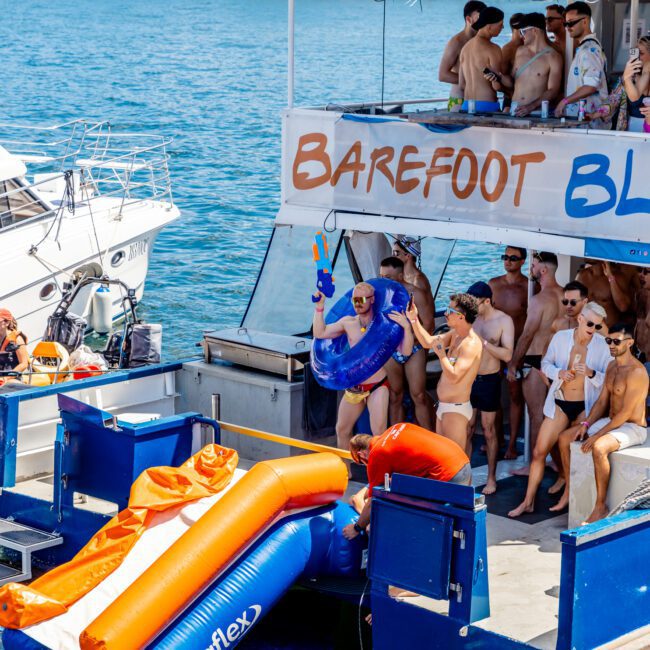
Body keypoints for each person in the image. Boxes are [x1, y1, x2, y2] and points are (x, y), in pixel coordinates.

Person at [508, 302, 612, 518]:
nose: (594, 329)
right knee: (539, 452)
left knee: (571, 449)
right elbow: (545, 364)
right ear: (581, 319)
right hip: (560, 400)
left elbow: (609, 380)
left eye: (599, 326)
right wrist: (560, 373)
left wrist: (592, 374)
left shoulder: (602, 345)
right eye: (591, 323)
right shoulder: (562, 338)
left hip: (585, 406)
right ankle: (528, 501)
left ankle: (568, 495)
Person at [554, 323, 649, 523]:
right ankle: (570, 493)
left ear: (630, 343)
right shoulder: (612, 366)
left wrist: (598, 434)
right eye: (608, 340)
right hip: (612, 422)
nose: (611, 345)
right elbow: (602, 402)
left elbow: (625, 414)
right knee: (564, 438)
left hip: (632, 426)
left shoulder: (637, 372)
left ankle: (600, 506)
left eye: (616, 341)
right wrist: (587, 424)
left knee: (599, 448)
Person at [312, 282, 412, 449]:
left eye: (362, 299)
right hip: (355, 387)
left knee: (378, 432)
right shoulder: (348, 322)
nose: (357, 303)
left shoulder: (383, 324)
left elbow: (406, 351)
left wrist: (407, 327)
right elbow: (319, 333)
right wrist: (319, 307)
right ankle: (347, 472)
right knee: (342, 429)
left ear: (372, 300)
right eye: (355, 300)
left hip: (377, 386)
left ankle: (379, 473)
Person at [342, 423, 471, 540]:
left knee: (397, 516)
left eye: (362, 463)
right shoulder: (396, 428)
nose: (366, 466)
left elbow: (371, 503)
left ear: (362, 454)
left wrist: (356, 528)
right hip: (463, 462)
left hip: (448, 475)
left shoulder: (376, 454)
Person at [507, 252, 563, 469]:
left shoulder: (539, 300)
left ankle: (534, 464)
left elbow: (528, 334)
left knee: (537, 413)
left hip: (537, 359)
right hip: (558, 362)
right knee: (556, 414)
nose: (530, 268)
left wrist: (513, 363)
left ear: (543, 270)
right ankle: (556, 462)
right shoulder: (566, 296)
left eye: (533, 264)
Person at [408, 293, 482, 451]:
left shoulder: (470, 344)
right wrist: (414, 319)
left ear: (461, 317)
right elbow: (428, 342)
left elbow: (454, 376)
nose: (446, 314)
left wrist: (442, 354)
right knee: (444, 460)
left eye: (450, 310)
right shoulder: (455, 335)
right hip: (444, 407)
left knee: (456, 463)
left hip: (456, 410)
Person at [467, 282, 514, 495]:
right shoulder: (470, 318)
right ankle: (464, 478)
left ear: (487, 301)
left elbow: (507, 355)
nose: (471, 307)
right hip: (468, 379)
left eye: (475, 303)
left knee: (489, 431)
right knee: (466, 429)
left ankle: (491, 478)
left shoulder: (504, 321)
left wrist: (483, 343)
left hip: (489, 380)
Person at [379, 257, 434, 429]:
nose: (383, 280)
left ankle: (428, 440)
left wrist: (407, 342)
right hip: (390, 349)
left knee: (418, 395)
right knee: (395, 395)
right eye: (381, 276)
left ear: (401, 275)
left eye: (388, 277)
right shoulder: (379, 294)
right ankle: (397, 442)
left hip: (414, 347)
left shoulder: (416, 294)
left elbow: (429, 326)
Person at [489, 246, 530, 459]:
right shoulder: (493, 284)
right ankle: (495, 437)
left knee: (515, 395)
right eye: (505, 257)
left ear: (523, 261)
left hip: (515, 348)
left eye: (513, 258)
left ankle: (512, 443)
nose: (508, 261)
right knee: (492, 393)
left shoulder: (529, 287)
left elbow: (532, 321)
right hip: (494, 347)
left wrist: (521, 353)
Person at [554, 2, 608, 126]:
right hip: (585, 122)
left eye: (571, 22)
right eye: (565, 23)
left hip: (589, 124)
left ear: (585, 21)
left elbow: (591, 85)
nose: (567, 27)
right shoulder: (586, 47)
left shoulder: (589, 49)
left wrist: (564, 101)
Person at [588, 35, 650, 131]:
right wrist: (594, 115)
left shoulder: (633, 75)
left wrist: (627, 77)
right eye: (636, 53)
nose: (637, 57)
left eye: (641, 53)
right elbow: (614, 99)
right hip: (631, 126)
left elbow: (634, 97)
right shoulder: (631, 76)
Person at [506, 13, 563, 117]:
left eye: (523, 31)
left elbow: (553, 90)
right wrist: (498, 77)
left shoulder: (553, 57)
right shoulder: (520, 51)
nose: (521, 35)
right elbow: (512, 82)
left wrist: (531, 106)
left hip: (536, 113)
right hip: (514, 111)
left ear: (534, 30)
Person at [438, 0, 488, 112]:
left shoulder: (483, 41)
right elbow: (442, 75)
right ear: (468, 19)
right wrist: (473, 81)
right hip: (459, 100)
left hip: (480, 101)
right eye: (480, 18)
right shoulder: (456, 42)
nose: (484, 22)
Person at [458, 6, 507, 113]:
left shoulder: (465, 48)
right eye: (500, 24)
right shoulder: (493, 49)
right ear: (489, 27)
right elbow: (496, 86)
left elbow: (461, 84)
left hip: (466, 106)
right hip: (487, 106)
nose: (503, 27)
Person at [576, 260, 636, 327]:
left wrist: (610, 277)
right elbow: (573, 304)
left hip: (607, 331)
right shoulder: (581, 276)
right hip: (585, 329)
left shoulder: (619, 277)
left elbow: (623, 307)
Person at [500, 13, 524, 112]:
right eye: (523, 29)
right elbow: (500, 78)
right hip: (510, 99)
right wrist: (511, 94)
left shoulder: (528, 46)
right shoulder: (507, 49)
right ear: (515, 29)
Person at [0, 309, 29, 379]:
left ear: (7, 323)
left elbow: (24, 364)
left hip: (13, 378)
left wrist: (6, 378)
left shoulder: (17, 339)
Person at [635, 266, 650, 361]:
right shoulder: (641, 294)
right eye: (640, 270)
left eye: (646, 272)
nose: (641, 275)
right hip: (639, 353)